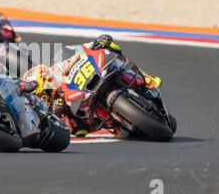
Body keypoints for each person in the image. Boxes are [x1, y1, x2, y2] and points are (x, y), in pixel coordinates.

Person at [23, 34, 162, 137]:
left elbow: (77, 53)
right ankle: (114, 124)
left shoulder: (57, 68)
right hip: (85, 107)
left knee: (113, 51)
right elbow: (62, 131)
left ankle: (145, 78)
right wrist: (60, 113)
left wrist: (96, 44)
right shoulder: (45, 107)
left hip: (91, 78)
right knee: (78, 129)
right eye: (45, 80)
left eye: (45, 74)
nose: (48, 76)